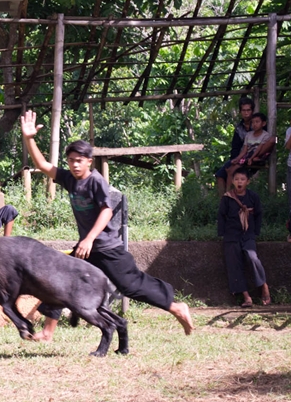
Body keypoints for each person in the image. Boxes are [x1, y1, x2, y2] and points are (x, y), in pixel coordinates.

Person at [20, 110, 194, 340]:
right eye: (71, 160)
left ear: (89, 161)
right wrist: (29, 138)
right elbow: (42, 164)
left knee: (131, 286)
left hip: (107, 248)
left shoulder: (96, 181)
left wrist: (89, 239)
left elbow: (107, 210)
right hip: (87, 249)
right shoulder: (70, 179)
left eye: (79, 161)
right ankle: (47, 332)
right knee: (61, 279)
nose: (74, 165)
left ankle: (176, 307)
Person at [218, 168, 270, 307]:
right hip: (231, 234)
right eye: (236, 179)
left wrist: (255, 232)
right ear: (233, 181)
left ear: (247, 181)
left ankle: (264, 286)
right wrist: (222, 234)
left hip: (248, 234)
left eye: (242, 179)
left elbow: (258, 214)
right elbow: (221, 216)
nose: (239, 182)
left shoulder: (253, 197)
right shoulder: (227, 197)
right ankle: (247, 297)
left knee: (252, 257)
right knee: (234, 265)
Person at [215, 97, 254, 194]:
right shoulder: (239, 128)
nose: (246, 113)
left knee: (232, 172)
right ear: (240, 112)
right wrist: (235, 160)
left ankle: (229, 198)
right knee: (219, 175)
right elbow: (235, 147)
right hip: (239, 158)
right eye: (243, 110)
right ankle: (223, 202)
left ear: (252, 111)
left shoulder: (258, 124)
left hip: (253, 158)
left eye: (248, 110)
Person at [224, 112, 275, 186]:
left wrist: (251, 158)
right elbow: (244, 150)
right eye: (253, 122)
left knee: (273, 140)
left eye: (257, 122)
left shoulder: (265, 135)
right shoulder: (248, 135)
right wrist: (237, 159)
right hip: (247, 156)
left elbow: (259, 148)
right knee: (230, 171)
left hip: (258, 154)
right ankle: (228, 193)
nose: (254, 124)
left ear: (263, 124)